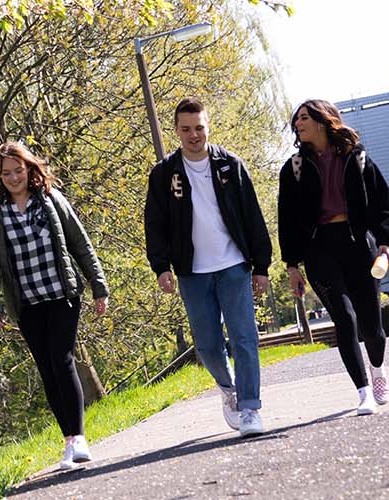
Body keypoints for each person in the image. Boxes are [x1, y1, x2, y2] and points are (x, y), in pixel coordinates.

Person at [0, 141, 111, 470]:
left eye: (18, 170)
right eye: (6, 173)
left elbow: (80, 242)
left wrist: (99, 286)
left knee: (62, 359)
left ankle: (78, 439)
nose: (13, 177)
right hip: (27, 304)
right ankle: (69, 441)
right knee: (47, 368)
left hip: (62, 294)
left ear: (29, 168)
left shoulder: (50, 200)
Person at [143, 97, 273, 437]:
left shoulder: (230, 165)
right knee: (208, 346)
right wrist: (161, 267)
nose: (193, 135)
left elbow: (252, 217)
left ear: (208, 126)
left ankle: (250, 408)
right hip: (191, 271)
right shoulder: (163, 175)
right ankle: (227, 388)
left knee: (244, 338)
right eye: (186, 129)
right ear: (176, 130)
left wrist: (261, 266)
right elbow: (154, 224)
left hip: (233, 265)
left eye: (199, 127)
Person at [277, 99, 389, 416]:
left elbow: (382, 203)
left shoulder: (356, 159)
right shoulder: (293, 169)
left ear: (323, 120)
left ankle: (378, 370)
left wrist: (386, 243)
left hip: (358, 245)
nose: (298, 124)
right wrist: (292, 264)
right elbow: (286, 219)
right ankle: (363, 393)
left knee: (372, 327)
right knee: (344, 319)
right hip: (319, 250)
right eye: (296, 120)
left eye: (304, 118)